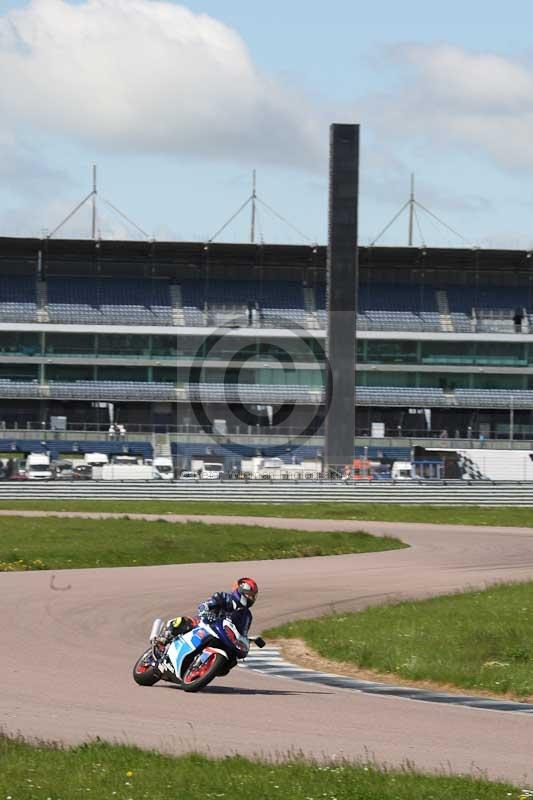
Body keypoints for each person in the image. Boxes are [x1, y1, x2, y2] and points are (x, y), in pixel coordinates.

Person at [155, 577, 259, 651]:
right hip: (205, 623)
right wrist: (206, 611)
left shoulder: (247, 616)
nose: (251, 598)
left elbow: (243, 633)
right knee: (185, 621)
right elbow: (204, 605)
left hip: (222, 636)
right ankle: (163, 638)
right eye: (249, 595)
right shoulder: (223, 597)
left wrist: (247, 641)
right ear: (240, 591)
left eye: (253, 596)